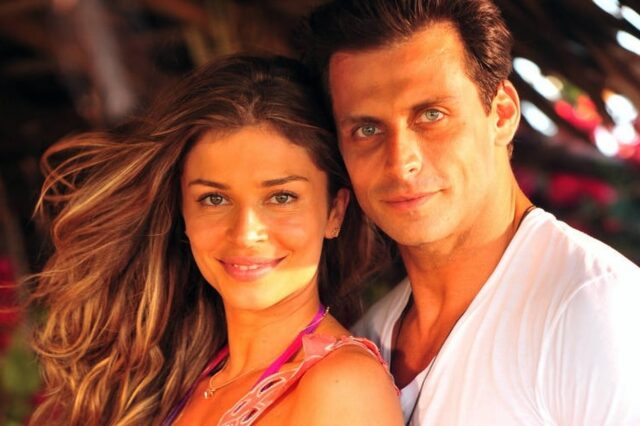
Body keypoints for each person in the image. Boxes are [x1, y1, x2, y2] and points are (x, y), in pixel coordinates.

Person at [298, 0, 640, 424]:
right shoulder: (368, 339)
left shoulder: (595, 309)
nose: (401, 162)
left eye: (431, 115)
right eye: (367, 129)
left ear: (502, 114)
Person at [30, 55, 403, 425]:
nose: (245, 233)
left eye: (281, 197)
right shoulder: (182, 379)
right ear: (182, 212)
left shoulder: (342, 386)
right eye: (214, 199)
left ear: (334, 212)